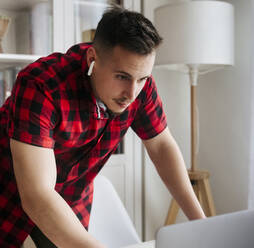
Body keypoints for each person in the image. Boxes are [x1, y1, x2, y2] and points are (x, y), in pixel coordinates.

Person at [0, 5, 206, 248]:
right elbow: (37, 195)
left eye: (142, 79)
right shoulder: (42, 84)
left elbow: (161, 146)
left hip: (72, 198)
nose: (132, 93)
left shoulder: (139, 86)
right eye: (122, 77)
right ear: (92, 59)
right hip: (9, 190)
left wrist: (201, 225)